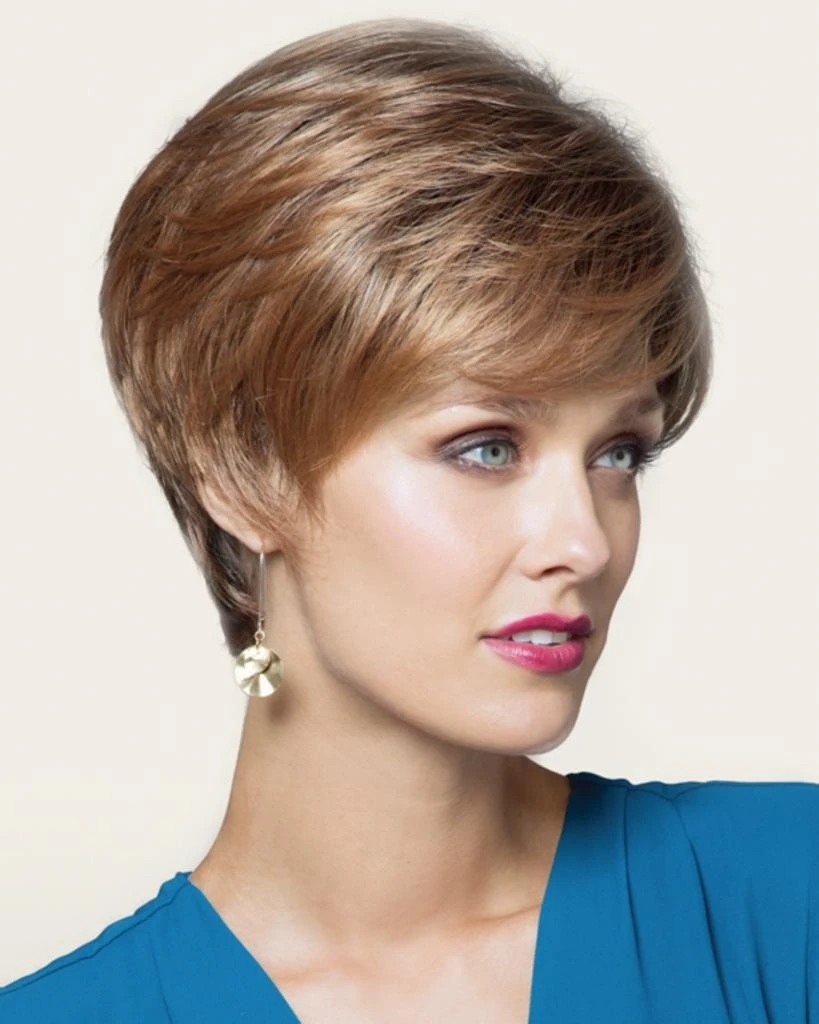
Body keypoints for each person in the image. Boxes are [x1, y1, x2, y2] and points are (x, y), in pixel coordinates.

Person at [1, 17, 816, 1024]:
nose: (585, 542)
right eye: (486, 448)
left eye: (617, 454)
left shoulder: (787, 902)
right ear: (243, 473)